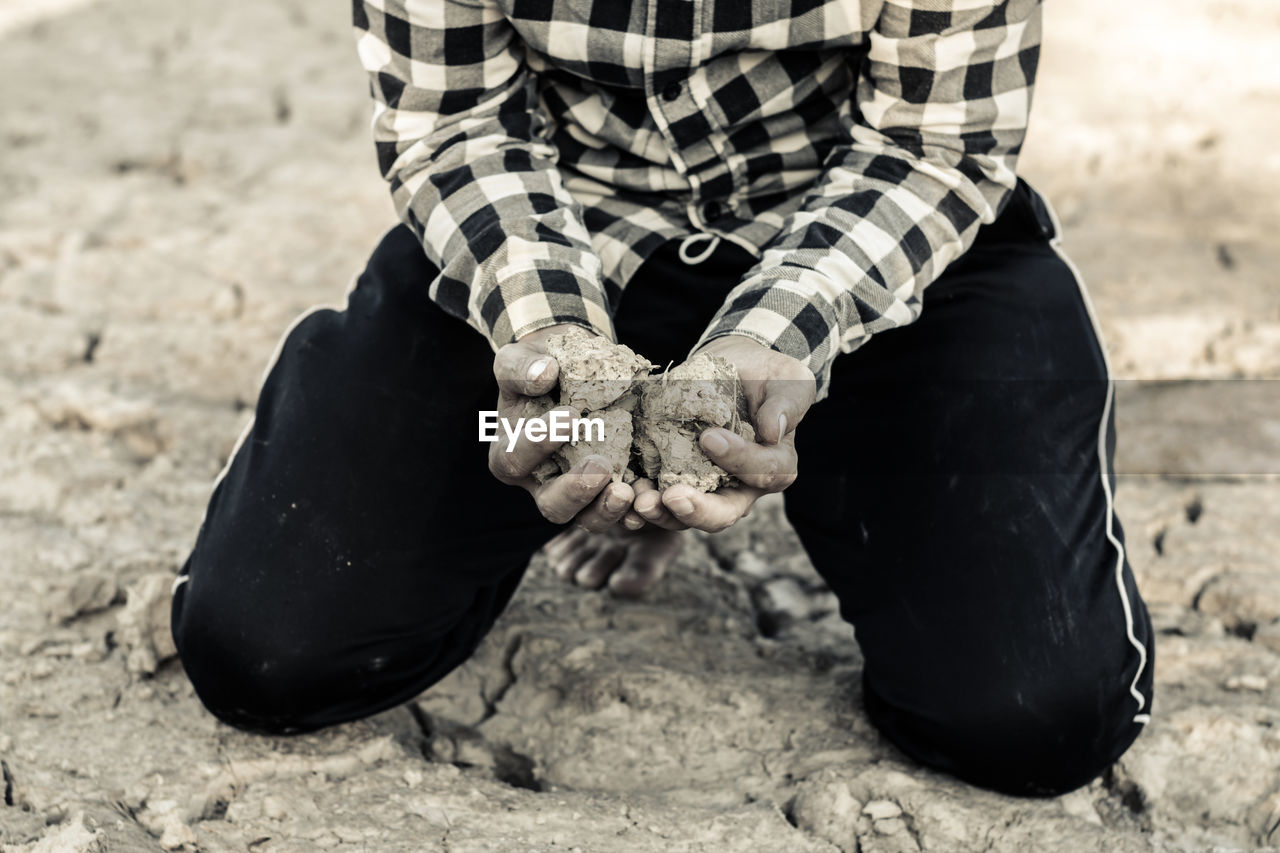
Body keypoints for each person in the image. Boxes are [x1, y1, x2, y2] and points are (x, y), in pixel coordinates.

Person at [170, 0, 1154, 796]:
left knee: (1035, 711)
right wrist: (551, 341)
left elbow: (931, 147)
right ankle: (613, 427)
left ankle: (828, 460)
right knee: (270, 646)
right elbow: (457, 124)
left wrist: (766, 343)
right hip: (555, 231)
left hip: (867, 250)